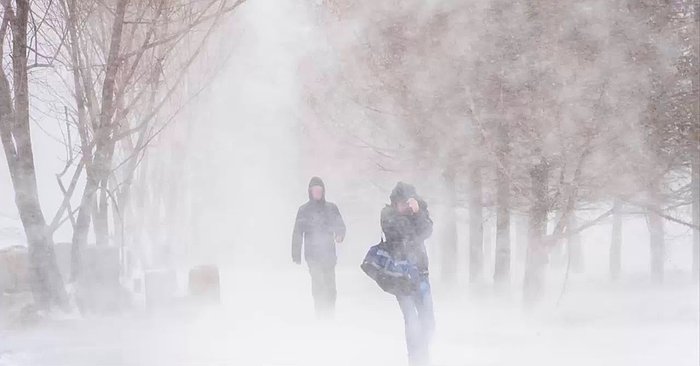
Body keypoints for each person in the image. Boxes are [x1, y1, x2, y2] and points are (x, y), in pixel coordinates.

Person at [381, 182, 434, 366]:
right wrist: (412, 216)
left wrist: (418, 212)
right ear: (395, 202)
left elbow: (426, 231)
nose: (406, 206)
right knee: (411, 320)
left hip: (421, 272)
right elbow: (403, 234)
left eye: (408, 202)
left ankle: (423, 357)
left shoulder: (420, 212)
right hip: (400, 276)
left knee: (428, 320)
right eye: (402, 202)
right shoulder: (388, 214)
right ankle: (415, 360)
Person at [292, 177, 346, 318]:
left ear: (323, 192)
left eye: (319, 190)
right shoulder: (304, 210)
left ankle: (330, 314)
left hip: (328, 254)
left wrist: (340, 234)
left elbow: (340, 224)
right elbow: (297, 233)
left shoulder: (331, 208)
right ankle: (320, 314)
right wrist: (296, 254)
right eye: (314, 190)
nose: (317, 193)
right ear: (310, 192)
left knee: (331, 288)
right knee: (318, 285)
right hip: (312, 256)